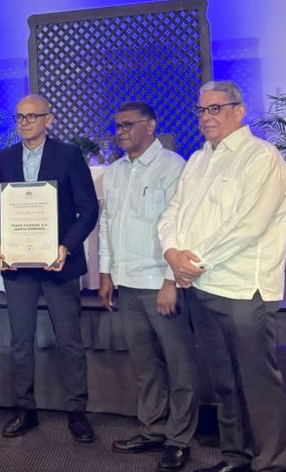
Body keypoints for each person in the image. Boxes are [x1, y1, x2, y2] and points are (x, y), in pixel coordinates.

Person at [158, 80, 286, 472]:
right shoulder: (198, 159)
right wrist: (171, 252)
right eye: (201, 110)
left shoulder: (260, 157)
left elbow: (249, 226)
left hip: (244, 288)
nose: (206, 117)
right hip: (202, 288)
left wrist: (191, 261)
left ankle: (271, 465)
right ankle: (235, 458)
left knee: (258, 384)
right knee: (225, 382)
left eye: (215, 109)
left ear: (239, 109)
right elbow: (173, 213)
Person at [0, 94, 99, 442]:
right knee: (20, 341)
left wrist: (66, 246)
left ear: (48, 119)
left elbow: (88, 208)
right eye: (19, 117)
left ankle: (77, 412)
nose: (24, 123)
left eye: (32, 117)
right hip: (18, 266)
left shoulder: (68, 155)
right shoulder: (3, 159)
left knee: (69, 340)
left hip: (59, 264)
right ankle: (25, 409)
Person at [99, 102, 194, 472]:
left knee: (179, 365)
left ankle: (179, 439)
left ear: (151, 126)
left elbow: (181, 229)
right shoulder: (114, 172)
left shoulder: (174, 167)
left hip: (161, 283)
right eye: (117, 125)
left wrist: (171, 282)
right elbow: (108, 226)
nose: (120, 131)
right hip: (127, 283)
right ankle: (153, 429)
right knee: (145, 366)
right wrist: (106, 274)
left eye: (128, 125)